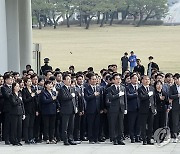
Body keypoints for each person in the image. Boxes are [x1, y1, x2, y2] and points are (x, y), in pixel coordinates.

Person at [57, 74, 78, 145]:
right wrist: (71, 96)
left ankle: (70, 138)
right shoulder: (62, 89)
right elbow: (63, 98)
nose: (69, 81)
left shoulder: (72, 88)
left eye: (70, 79)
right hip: (65, 110)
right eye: (67, 79)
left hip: (72, 109)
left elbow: (75, 99)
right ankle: (65, 139)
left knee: (71, 126)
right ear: (64, 81)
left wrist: (76, 107)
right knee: (65, 126)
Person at [108, 73, 127, 145]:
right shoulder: (110, 88)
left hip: (121, 108)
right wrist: (117, 95)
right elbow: (111, 98)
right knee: (114, 124)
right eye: (116, 79)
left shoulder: (123, 88)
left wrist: (125, 108)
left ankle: (120, 138)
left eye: (119, 79)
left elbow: (125, 99)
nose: (118, 80)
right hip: (114, 108)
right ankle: (114, 138)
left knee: (120, 124)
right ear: (113, 80)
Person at [84, 73, 104, 144]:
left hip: (98, 109)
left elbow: (101, 99)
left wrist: (102, 108)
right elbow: (86, 98)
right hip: (90, 109)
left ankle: (96, 138)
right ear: (89, 80)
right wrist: (93, 95)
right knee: (90, 124)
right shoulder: (86, 88)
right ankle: (91, 138)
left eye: (95, 79)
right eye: (93, 79)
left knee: (97, 124)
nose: (94, 80)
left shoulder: (99, 88)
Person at [138, 75, 156, 145]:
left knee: (150, 125)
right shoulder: (140, 89)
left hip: (151, 109)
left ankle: (149, 139)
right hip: (143, 110)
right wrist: (148, 95)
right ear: (142, 80)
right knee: (143, 125)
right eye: (145, 79)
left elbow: (153, 100)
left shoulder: (152, 88)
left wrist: (154, 108)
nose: (147, 81)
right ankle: (144, 139)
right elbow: (141, 97)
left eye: (148, 79)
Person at [126, 74, 140, 143]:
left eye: (136, 78)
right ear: (131, 79)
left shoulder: (140, 87)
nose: (135, 80)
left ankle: (137, 136)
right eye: (134, 78)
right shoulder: (127, 87)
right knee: (132, 123)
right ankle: (132, 137)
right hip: (131, 108)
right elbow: (127, 96)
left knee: (138, 123)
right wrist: (135, 94)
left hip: (140, 108)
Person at [22, 77, 37, 144]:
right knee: (26, 125)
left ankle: (31, 138)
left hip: (33, 109)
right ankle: (26, 138)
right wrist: (31, 96)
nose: (30, 82)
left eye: (30, 81)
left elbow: (35, 101)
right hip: (27, 109)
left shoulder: (33, 89)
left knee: (31, 125)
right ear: (25, 83)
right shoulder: (24, 90)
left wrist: (37, 109)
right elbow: (25, 100)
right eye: (28, 81)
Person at [1, 73, 13, 145]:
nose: (11, 81)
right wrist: (12, 93)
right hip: (7, 108)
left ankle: (12, 138)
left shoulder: (12, 87)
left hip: (13, 108)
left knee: (12, 124)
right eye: (10, 79)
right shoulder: (3, 87)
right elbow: (7, 95)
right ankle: (6, 139)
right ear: (6, 80)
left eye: (12, 79)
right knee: (7, 124)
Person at [169, 73, 180, 143]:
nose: (176, 81)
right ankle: (175, 136)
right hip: (176, 106)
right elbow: (170, 96)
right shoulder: (172, 87)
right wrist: (177, 95)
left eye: (177, 79)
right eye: (175, 79)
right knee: (175, 122)